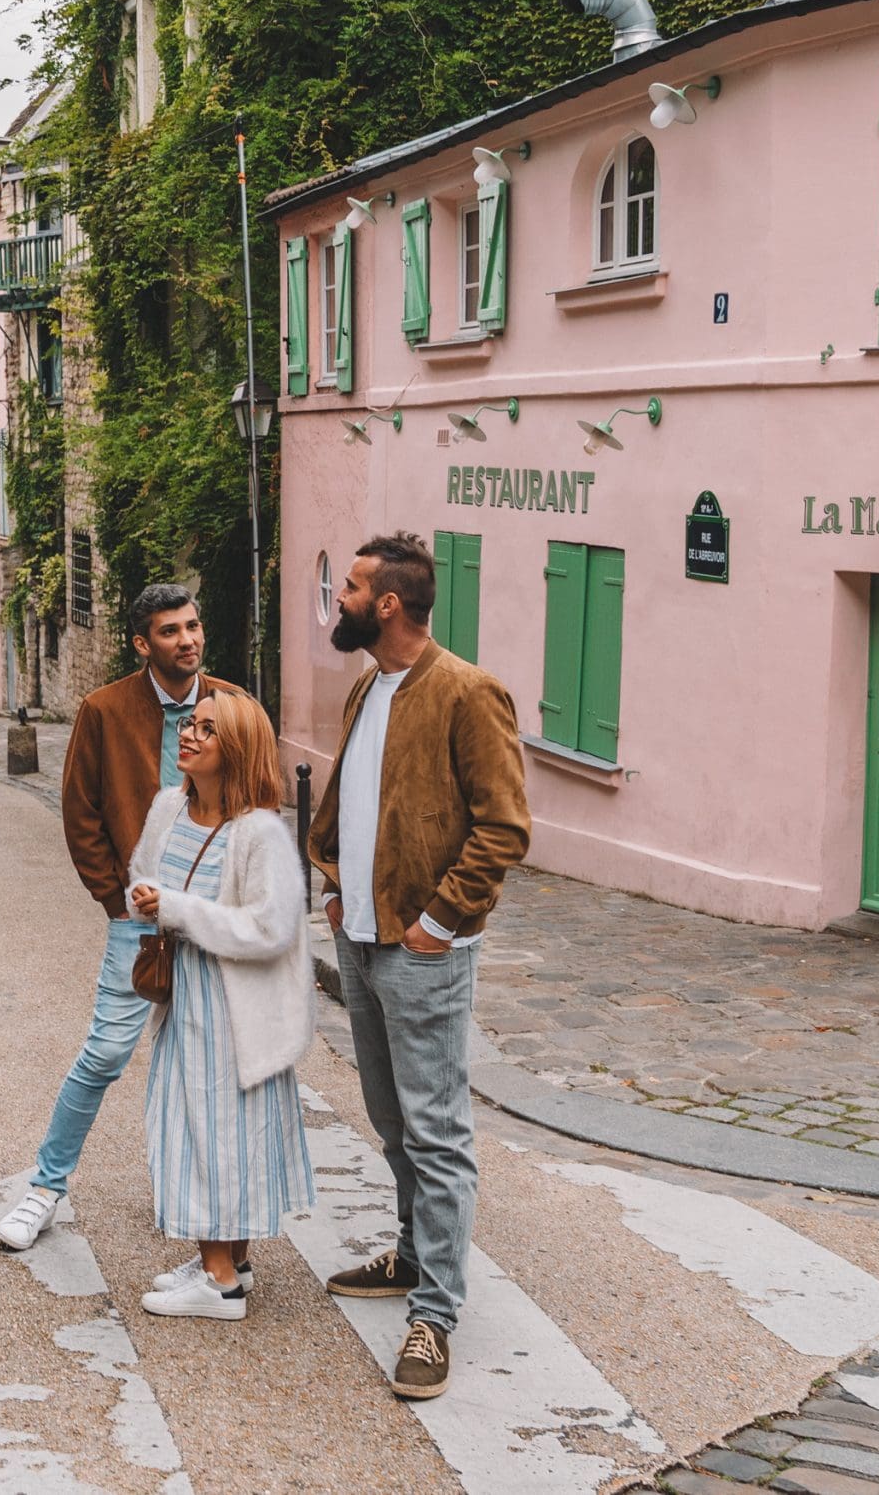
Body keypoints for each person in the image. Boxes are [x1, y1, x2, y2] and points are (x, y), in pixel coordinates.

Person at [309, 532, 530, 1401]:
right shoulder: (368, 685)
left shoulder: (468, 692)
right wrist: (333, 887)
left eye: (353, 586)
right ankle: (410, 1254)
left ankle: (434, 1316)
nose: (342, 600)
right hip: (361, 939)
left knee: (438, 1135)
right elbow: (356, 804)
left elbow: (504, 827)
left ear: (389, 604)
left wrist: (440, 919)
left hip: (422, 949)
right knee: (391, 1120)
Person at [0, 586, 239, 1253]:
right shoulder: (103, 710)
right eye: (169, 631)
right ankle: (45, 1186)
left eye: (193, 625)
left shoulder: (235, 706)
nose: (187, 639)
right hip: (139, 920)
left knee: (206, 1063)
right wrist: (117, 898)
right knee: (104, 1053)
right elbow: (80, 813)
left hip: (210, 918)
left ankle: (196, 1198)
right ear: (142, 643)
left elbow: (256, 798)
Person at [128, 691, 315, 1320]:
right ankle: (230, 1261)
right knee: (202, 1125)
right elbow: (141, 876)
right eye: (190, 723)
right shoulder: (168, 808)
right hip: (185, 996)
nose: (190, 734)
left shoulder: (259, 832)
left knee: (214, 1132)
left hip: (235, 1006)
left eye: (208, 729)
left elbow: (273, 928)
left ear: (235, 749)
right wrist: (146, 898)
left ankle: (219, 1283)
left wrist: (176, 910)